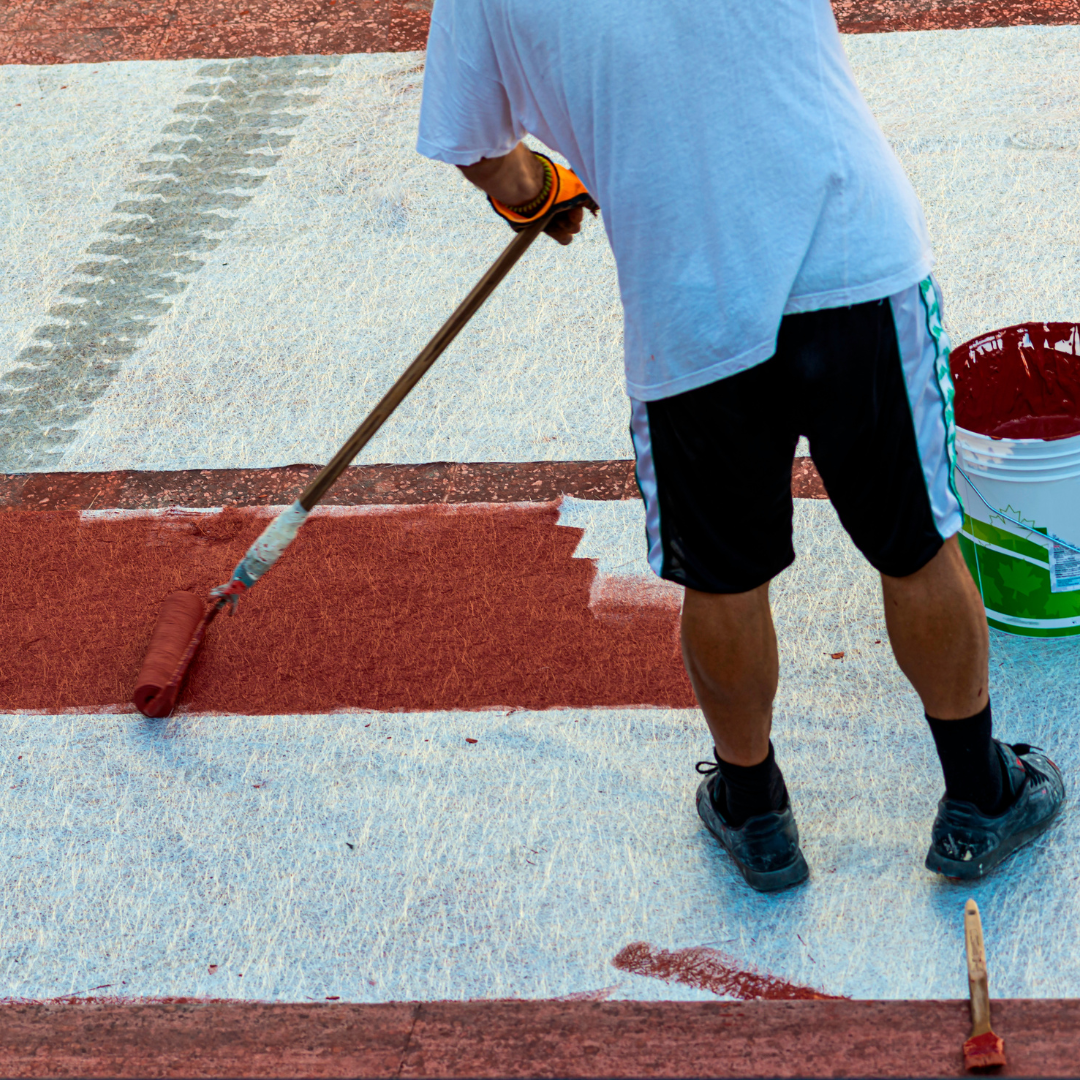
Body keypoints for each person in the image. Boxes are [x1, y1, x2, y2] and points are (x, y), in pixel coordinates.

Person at [415, 0, 1065, 891]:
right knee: (916, 545)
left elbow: (481, 150)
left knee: (722, 578)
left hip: (688, 308)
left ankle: (756, 812)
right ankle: (979, 794)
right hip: (855, 262)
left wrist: (543, 188)